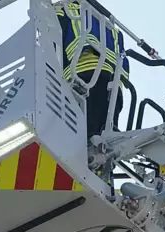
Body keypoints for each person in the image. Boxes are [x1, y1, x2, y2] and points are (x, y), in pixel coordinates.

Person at [54, 1, 129, 139]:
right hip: (113, 85)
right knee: (106, 136)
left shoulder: (64, 10)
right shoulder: (107, 24)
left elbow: (50, 43)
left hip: (82, 77)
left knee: (82, 138)